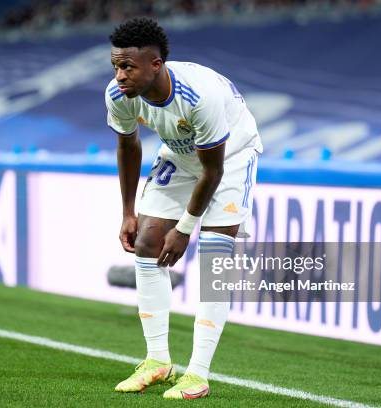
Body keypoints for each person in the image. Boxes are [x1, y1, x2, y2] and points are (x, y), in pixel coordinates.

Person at [105, 17, 262, 400]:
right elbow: (129, 145)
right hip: (179, 154)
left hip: (230, 157)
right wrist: (129, 211)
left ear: (155, 65)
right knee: (147, 242)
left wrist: (186, 228)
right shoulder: (118, 94)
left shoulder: (198, 96)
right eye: (115, 66)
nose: (119, 74)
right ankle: (158, 360)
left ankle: (198, 373)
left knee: (213, 260)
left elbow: (214, 168)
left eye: (128, 66)